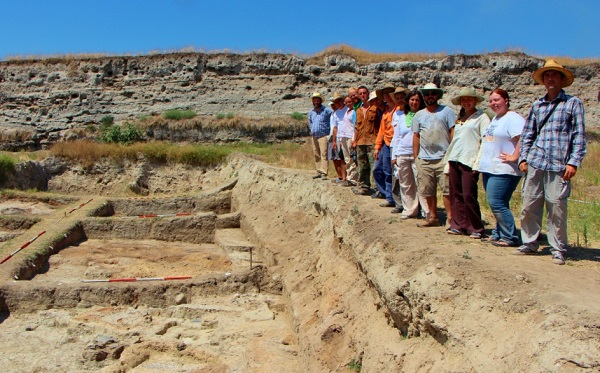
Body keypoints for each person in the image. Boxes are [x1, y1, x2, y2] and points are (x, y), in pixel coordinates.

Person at [515, 60, 587, 265]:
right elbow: (528, 134)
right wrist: (523, 158)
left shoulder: (573, 103)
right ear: (543, 80)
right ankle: (529, 242)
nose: (551, 78)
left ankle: (558, 248)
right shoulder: (537, 105)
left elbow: (579, 135)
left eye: (555, 75)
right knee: (529, 205)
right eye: (547, 75)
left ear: (562, 79)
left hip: (559, 164)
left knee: (557, 207)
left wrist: (573, 162)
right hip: (536, 162)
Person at [478, 88, 525, 247]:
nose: (493, 103)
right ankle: (498, 232)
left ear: (506, 100)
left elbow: (523, 138)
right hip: (490, 168)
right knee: (498, 202)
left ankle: (509, 236)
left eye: (497, 100)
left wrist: (515, 156)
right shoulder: (496, 119)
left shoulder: (513, 118)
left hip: (505, 168)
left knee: (496, 201)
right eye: (491, 101)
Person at [444, 87, 490, 238]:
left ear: (475, 100)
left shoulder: (481, 118)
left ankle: (475, 227)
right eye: (463, 100)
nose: (466, 102)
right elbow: (455, 142)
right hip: (455, 158)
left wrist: (478, 163)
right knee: (456, 194)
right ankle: (459, 224)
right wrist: (447, 163)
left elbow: (485, 141)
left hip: (469, 160)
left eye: (469, 99)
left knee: (469, 194)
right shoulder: (460, 119)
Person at [412, 83, 456, 227]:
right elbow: (416, 136)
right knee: (428, 190)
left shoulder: (447, 112)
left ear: (437, 95)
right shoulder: (419, 115)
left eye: (432, 93)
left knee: (447, 190)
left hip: (443, 157)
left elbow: (452, 132)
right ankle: (433, 217)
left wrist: (451, 154)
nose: (429, 96)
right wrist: (416, 157)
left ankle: (450, 218)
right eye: (427, 94)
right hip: (424, 158)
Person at [391, 88, 430, 219]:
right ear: (408, 101)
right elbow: (396, 137)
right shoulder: (401, 117)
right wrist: (394, 155)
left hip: (418, 154)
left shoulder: (425, 116)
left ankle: (426, 211)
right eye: (412, 100)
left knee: (421, 183)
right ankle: (409, 210)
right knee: (405, 183)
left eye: (417, 100)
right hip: (402, 153)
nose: (414, 102)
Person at [352, 86, 380, 196]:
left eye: (365, 93)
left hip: (372, 140)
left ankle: (377, 188)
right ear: (358, 95)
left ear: (368, 94)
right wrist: (354, 140)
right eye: (361, 93)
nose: (363, 95)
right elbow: (356, 127)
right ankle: (364, 187)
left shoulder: (375, 108)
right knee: (362, 166)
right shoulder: (358, 110)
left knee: (374, 166)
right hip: (360, 141)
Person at [374, 83, 396, 207]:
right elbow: (382, 131)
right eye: (385, 94)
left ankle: (397, 199)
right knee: (386, 171)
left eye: (389, 93)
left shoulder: (399, 110)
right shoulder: (386, 112)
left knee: (396, 173)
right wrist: (377, 147)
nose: (387, 96)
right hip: (387, 144)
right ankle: (389, 197)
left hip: (397, 145)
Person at [308, 92, 333, 180]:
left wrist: (330, 132)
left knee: (324, 154)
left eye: (317, 100)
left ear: (320, 101)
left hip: (323, 135)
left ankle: (324, 172)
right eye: (314, 100)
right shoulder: (311, 112)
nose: (316, 102)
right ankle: (318, 170)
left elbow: (333, 118)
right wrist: (312, 130)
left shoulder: (327, 110)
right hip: (314, 135)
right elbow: (310, 122)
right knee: (316, 154)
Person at [328, 92, 348, 184]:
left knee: (349, 159)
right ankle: (343, 178)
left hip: (348, 137)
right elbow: (335, 128)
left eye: (339, 101)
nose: (338, 103)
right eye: (336, 102)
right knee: (341, 159)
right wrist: (334, 141)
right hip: (339, 138)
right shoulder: (336, 113)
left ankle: (349, 178)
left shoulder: (348, 110)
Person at [338, 94, 358, 185]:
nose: (348, 104)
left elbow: (355, 126)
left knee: (351, 159)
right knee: (346, 159)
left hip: (350, 136)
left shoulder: (354, 112)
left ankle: (353, 179)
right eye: (346, 102)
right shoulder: (347, 112)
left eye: (349, 102)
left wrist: (354, 139)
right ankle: (349, 177)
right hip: (344, 137)